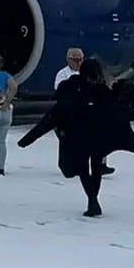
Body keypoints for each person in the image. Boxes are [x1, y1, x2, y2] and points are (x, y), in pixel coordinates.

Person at [17, 58, 134, 216]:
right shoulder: (101, 91)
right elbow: (116, 111)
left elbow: (54, 115)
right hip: (98, 135)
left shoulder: (71, 88)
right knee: (96, 166)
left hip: (77, 136)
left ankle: (92, 200)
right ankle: (93, 199)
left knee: (83, 168)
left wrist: (29, 139)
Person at [54, 47, 114, 175]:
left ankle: (101, 164)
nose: (78, 62)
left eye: (80, 59)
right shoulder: (63, 74)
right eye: (75, 60)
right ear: (68, 60)